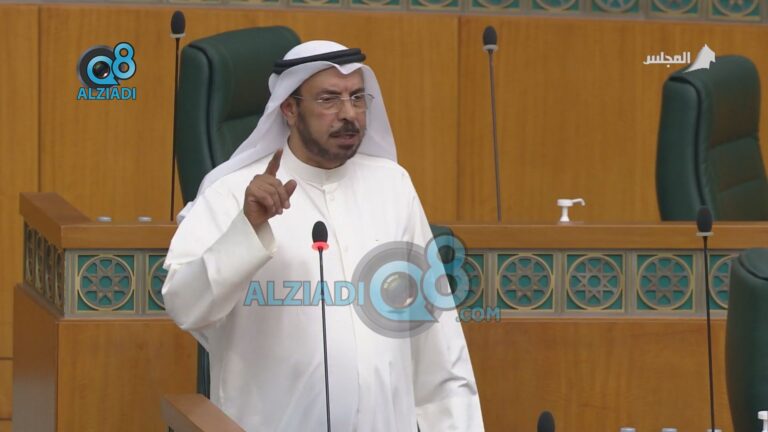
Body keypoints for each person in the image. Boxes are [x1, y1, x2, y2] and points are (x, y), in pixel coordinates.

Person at [162, 40, 484, 431]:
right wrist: (246, 229)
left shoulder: (392, 187)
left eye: (357, 98)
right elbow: (185, 306)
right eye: (329, 99)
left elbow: (438, 344)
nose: (349, 114)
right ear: (289, 108)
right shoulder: (232, 193)